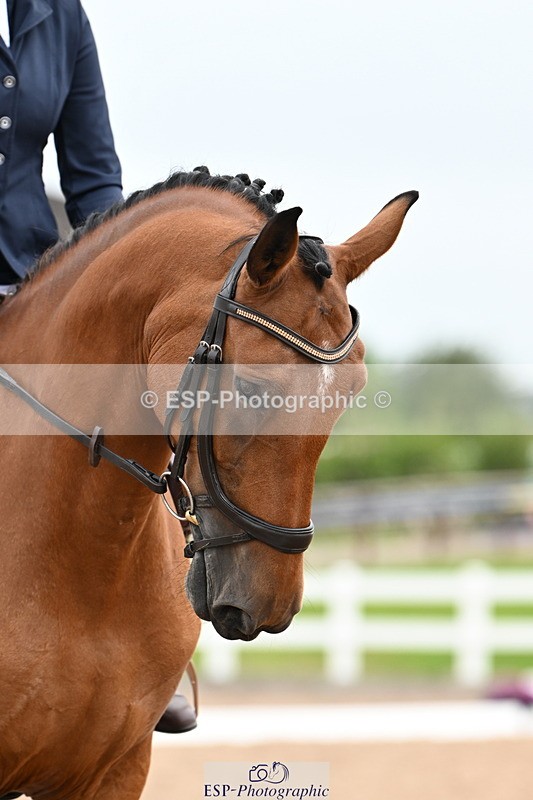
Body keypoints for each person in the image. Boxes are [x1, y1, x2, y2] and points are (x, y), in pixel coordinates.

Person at [0, 0, 195, 738]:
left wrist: (109, 296)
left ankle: (155, 641)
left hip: (30, 281)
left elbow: (93, 178)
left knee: (137, 408)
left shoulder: (57, 14)